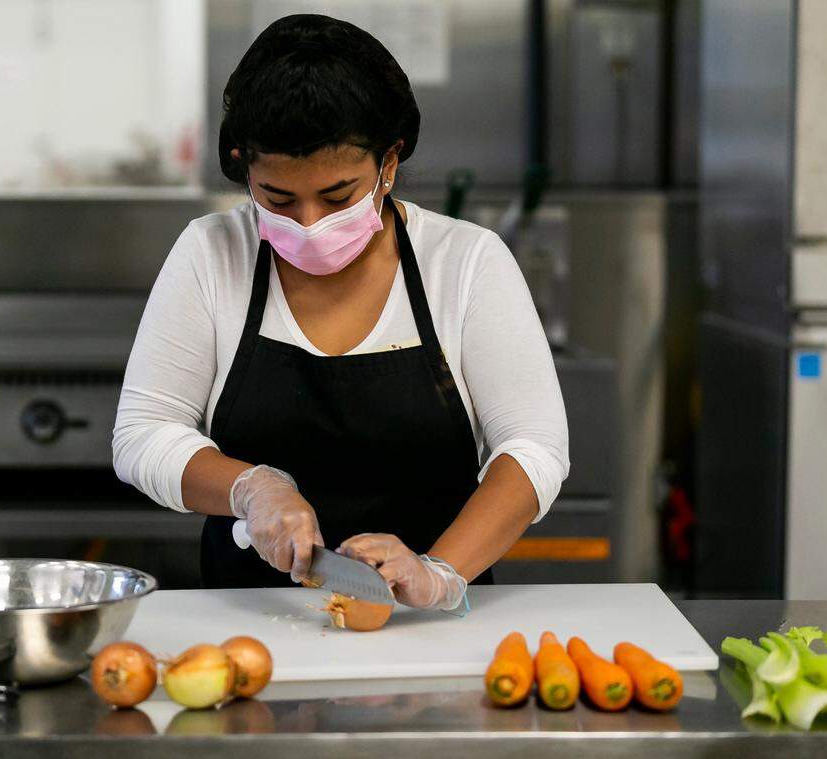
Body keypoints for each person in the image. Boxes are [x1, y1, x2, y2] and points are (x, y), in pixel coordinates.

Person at [113, 14, 569, 612]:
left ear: (390, 163)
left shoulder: (465, 263)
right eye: (278, 198)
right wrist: (250, 489)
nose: (308, 223)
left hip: (428, 630)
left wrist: (438, 573)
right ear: (243, 167)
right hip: (252, 628)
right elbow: (143, 434)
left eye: (337, 197)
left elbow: (533, 450)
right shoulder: (211, 253)